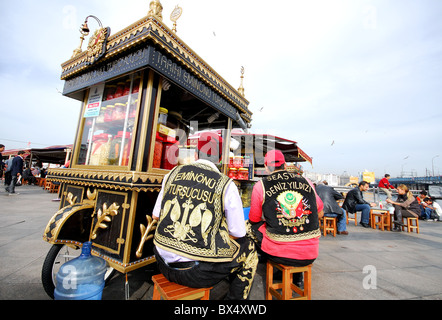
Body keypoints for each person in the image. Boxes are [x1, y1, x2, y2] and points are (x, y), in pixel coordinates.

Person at [152, 132, 258, 300]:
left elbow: (156, 216)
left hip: (161, 264)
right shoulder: (226, 184)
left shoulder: (171, 174)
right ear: (222, 158)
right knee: (249, 250)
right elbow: (238, 232)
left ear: (195, 154)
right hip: (195, 273)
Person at [248, 150, 323, 287]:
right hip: (310, 253)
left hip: (278, 253)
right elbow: (320, 212)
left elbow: (254, 218)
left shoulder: (261, 185)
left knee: (251, 227)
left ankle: (265, 264)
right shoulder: (306, 181)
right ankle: (297, 277)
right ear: (285, 165)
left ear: (266, 166)